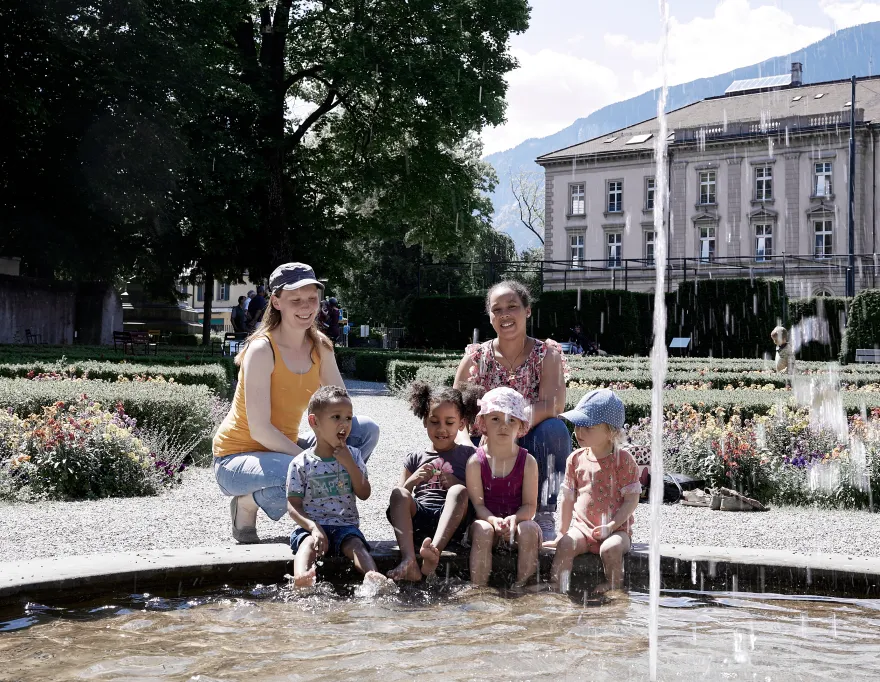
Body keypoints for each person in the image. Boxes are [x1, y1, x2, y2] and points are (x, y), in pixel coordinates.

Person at [212, 262, 380, 543]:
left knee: (365, 431)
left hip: (282, 448)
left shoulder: (321, 346)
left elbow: (342, 407)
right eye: (296, 300)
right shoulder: (262, 350)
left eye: (312, 299)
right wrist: (313, 461)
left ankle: (328, 513)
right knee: (301, 472)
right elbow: (260, 431)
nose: (306, 307)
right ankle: (247, 503)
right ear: (276, 301)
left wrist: (339, 456)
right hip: (237, 458)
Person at [455, 280, 570, 541]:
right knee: (457, 445)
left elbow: (553, 404)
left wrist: (507, 425)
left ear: (527, 310)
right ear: (490, 316)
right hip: (480, 442)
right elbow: (457, 411)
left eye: (512, 307)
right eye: (497, 310)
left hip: (525, 437)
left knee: (555, 430)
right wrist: (467, 444)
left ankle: (543, 512)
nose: (505, 315)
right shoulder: (475, 357)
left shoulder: (546, 354)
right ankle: (468, 514)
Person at [287, 386, 392, 590]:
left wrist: (349, 464)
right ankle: (302, 578)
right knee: (307, 544)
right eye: (336, 417)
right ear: (314, 422)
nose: (344, 424)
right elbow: (293, 506)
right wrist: (313, 527)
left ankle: (373, 575)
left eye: (348, 418)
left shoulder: (353, 455)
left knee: (356, 546)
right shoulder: (301, 463)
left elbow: (364, 493)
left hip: (345, 526)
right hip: (311, 527)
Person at [545, 389, 641, 594]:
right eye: (578, 425)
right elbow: (568, 499)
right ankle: (556, 585)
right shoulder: (576, 459)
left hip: (617, 531)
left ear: (611, 432)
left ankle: (615, 586)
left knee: (611, 549)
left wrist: (612, 525)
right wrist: (561, 533)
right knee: (566, 545)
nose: (579, 431)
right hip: (582, 529)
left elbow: (631, 500)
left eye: (587, 426)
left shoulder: (623, 461)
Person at [386, 381, 482, 582]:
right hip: (420, 520)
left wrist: (456, 481)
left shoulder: (469, 455)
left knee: (458, 491)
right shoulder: (415, 458)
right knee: (398, 493)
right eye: (434, 421)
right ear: (424, 421)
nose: (441, 429)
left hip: (452, 523)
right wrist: (413, 481)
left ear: (462, 424)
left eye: (449, 422)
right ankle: (409, 560)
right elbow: (397, 498)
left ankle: (434, 552)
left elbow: (478, 496)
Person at [466, 387, 542, 587]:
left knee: (528, 529)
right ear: (483, 424)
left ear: (520, 426)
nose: (503, 426)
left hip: (517, 525)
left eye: (511, 420)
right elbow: (478, 506)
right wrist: (493, 520)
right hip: (485, 523)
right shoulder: (475, 462)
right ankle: (479, 588)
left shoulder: (528, 462)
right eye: (495, 419)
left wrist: (514, 520)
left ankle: (523, 587)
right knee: (482, 529)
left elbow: (529, 506)